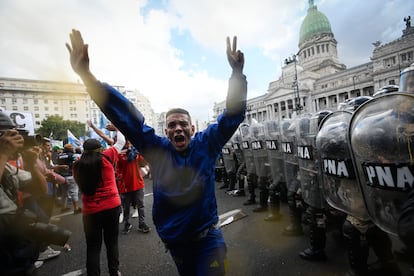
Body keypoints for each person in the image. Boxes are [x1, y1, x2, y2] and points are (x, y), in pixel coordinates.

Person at [67, 29, 247, 275]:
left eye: (183, 123)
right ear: (166, 131)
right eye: (172, 125)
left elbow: (233, 115)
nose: (178, 128)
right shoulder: (156, 148)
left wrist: (237, 75)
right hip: (176, 243)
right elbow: (127, 118)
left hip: (208, 240)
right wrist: (88, 77)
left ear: (192, 128)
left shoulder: (207, 144)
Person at [72, 130, 125, 276]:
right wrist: (117, 128)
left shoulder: (77, 165)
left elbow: (79, 185)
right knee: (112, 243)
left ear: (84, 150)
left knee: (93, 247)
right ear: (101, 149)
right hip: (111, 207)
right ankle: (114, 272)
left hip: (90, 212)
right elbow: (121, 141)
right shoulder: (107, 156)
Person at [117, 140, 150, 234]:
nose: (128, 144)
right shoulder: (119, 155)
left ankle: (142, 224)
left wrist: (141, 153)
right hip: (125, 186)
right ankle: (127, 223)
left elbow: (143, 164)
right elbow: (116, 168)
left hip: (138, 184)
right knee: (126, 207)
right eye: (126, 142)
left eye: (130, 142)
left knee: (141, 205)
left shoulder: (135, 154)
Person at [56, 144, 81, 214]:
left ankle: (63, 207)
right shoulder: (73, 155)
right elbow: (77, 164)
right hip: (71, 175)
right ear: (70, 149)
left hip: (62, 177)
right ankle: (76, 208)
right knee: (74, 192)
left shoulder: (59, 156)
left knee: (64, 193)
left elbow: (57, 165)